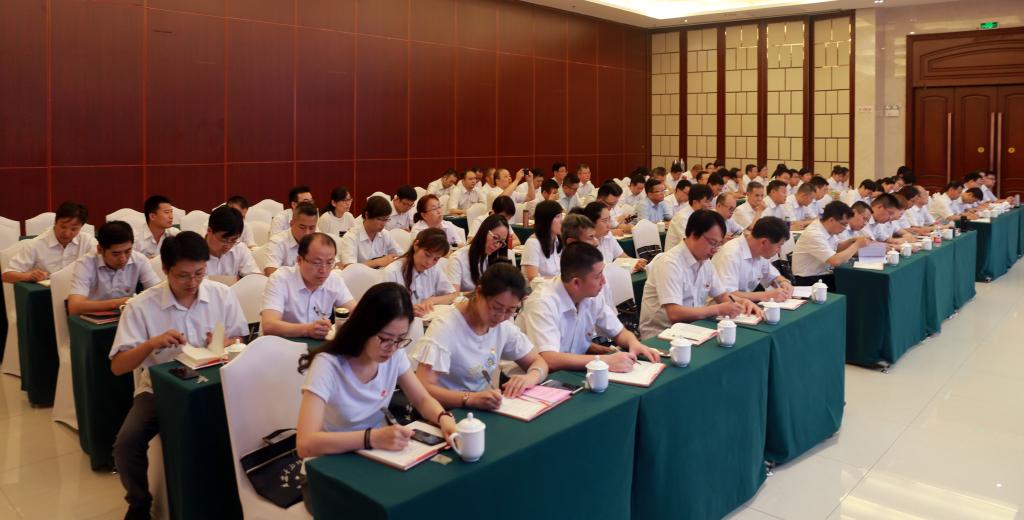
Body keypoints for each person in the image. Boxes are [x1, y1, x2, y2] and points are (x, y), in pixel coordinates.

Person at [110, 232, 247, 520]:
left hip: (216, 384)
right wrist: (151, 344)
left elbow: (240, 339)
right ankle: (139, 503)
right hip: (160, 392)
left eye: (199, 273)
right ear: (165, 269)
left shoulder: (221, 294)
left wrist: (225, 342)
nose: (193, 283)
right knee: (127, 443)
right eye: (183, 276)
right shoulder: (141, 306)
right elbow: (118, 366)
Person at [295, 283, 457, 458]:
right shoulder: (328, 364)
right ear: (364, 328)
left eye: (400, 339)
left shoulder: (395, 354)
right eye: (385, 338)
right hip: (332, 457)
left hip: (377, 452)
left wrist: (443, 417)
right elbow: (305, 444)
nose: (392, 348)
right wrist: (371, 438)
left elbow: (422, 399)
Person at [413, 263, 549, 410]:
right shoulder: (446, 328)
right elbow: (422, 388)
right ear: (479, 292)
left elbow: (538, 361)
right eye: (496, 308)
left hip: (479, 409)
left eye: (510, 311)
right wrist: (470, 399)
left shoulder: (503, 327)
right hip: (444, 412)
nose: (501, 317)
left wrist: (530, 377)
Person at [517, 242, 662, 373]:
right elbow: (549, 359)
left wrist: (633, 343)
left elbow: (618, 332)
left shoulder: (591, 295)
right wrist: (605, 361)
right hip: (530, 379)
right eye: (598, 276)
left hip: (573, 370)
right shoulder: (543, 302)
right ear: (576, 283)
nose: (603, 281)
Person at [639, 210, 760, 340]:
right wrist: (718, 309)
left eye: (719, 244)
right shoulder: (669, 263)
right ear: (694, 234)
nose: (715, 250)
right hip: (660, 336)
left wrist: (742, 302)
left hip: (693, 329)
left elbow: (722, 296)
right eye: (712, 242)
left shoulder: (706, 263)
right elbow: (674, 314)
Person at [261, 233, 356, 339]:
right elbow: (269, 326)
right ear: (299, 260)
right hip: (281, 343)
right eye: (317, 263)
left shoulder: (334, 280)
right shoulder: (280, 279)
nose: (324, 270)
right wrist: (307, 330)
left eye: (329, 263)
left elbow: (357, 312)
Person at [67, 221, 160, 315]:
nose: (123, 259)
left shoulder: (139, 260)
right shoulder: (85, 264)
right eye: (116, 254)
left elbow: (158, 293)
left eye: (127, 251)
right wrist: (118, 303)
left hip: (126, 316)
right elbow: (74, 307)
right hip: (92, 319)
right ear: (100, 250)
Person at [2, 201, 96, 283]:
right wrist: (28, 276)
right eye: (63, 227)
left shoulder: (87, 241)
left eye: (74, 229)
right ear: (55, 222)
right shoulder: (36, 244)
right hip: (45, 294)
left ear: (81, 227)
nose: (67, 234)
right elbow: (6, 276)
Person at [711, 217, 793, 302]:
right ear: (764, 242)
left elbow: (773, 277)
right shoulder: (730, 254)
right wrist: (766, 295)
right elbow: (726, 296)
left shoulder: (759, 252)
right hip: (718, 308)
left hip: (743, 306)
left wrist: (783, 282)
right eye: (779, 246)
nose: (779, 251)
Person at [791, 201, 870, 289]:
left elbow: (837, 248)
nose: (845, 228)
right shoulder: (814, 234)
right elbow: (835, 261)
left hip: (824, 275)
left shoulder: (827, 229)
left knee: (859, 281)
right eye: (843, 224)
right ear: (831, 220)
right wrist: (857, 245)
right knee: (853, 285)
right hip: (809, 281)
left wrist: (852, 241)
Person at [382, 228, 458, 317]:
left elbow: (453, 295)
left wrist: (433, 300)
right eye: (427, 255)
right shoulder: (392, 272)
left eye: (436, 259)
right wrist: (408, 311)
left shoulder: (434, 268)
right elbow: (384, 310)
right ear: (416, 245)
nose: (429, 262)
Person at [445, 214, 512, 292]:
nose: (497, 245)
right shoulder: (458, 259)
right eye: (495, 238)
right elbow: (453, 295)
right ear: (484, 231)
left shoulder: (496, 257)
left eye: (501, 242)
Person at [338, 196, 403, 269]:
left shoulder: (385, 234)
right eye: (379, 219)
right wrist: (377, 262)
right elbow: (350, 268)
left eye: (386, 220)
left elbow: (402, 256)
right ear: (367, 215)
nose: (383, 224)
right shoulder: (351, 237)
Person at [581, 202, 645, 272]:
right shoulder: (584, 243)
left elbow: (623, 257)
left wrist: (635, 262)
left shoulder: (608, 235)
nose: (609, 225)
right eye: (605, 221)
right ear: (591, 222)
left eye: (609, 220)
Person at [204, 206, 260, 281]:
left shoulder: (240, 249)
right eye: (224, 240)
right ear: (209, 230)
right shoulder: (194, 252)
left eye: (233, 240)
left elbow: (257, 279)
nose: (228, 246)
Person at [264, 201, 319, 276]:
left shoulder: (318, 240)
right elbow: (270, 272)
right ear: (291, 224)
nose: (307, 233)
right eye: (302, 227)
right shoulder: (277, 241)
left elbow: (333, 266)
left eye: (312, 228)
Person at [521, 200, 563, 280]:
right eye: (557, 217)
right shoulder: (533, 243)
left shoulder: (558, 241)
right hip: (537, 287)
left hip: (555, 286)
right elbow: (533, 278)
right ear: (546, 220)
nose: (562, 220)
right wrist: (560, 281)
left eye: (561, 216)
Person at [664, 183, 713, 250]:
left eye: (710, 201)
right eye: (707, 202)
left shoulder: (700, 214)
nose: (710, 205)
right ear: (695, 202)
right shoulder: (682, 217)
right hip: (678, 254)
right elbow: (691, 243)